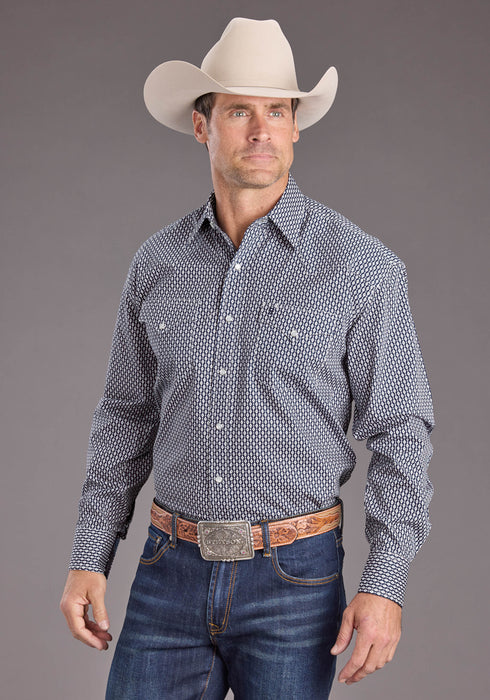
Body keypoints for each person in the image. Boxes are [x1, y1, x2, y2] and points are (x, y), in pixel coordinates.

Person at [60, 17, 435, 699]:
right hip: (168, 572)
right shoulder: (158, 262)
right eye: (239, 111)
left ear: (295, 128)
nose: (261, 130)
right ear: (202, 125)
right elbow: (125, 416)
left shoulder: (362, 268)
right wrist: (90, 556)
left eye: (277, 112)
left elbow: (401, 430)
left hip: (296, 583)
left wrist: (385, 585)